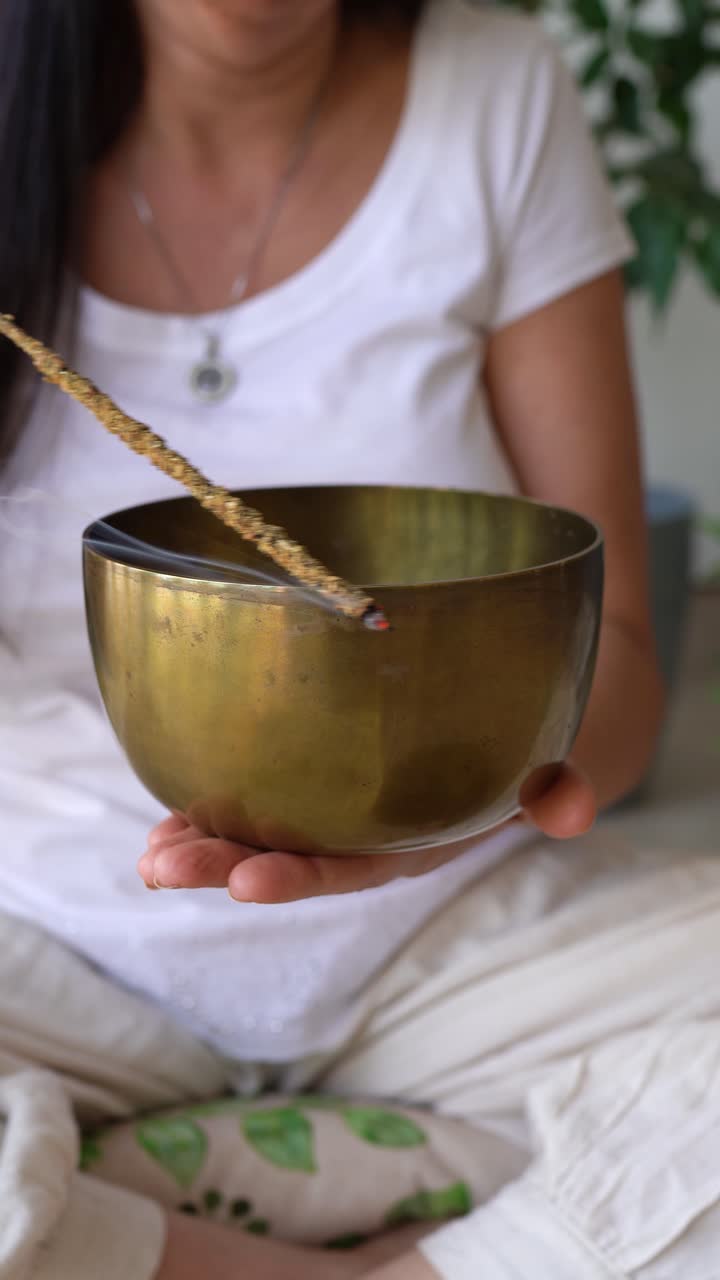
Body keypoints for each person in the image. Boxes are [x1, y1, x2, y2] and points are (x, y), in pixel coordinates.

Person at [2, 2, 718, 1279]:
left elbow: (614, 646)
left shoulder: (493, 89)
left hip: (444, 931)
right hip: (41, 928)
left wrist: (458, 817)